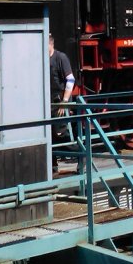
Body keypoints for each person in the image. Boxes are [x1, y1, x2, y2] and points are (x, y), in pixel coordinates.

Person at [48, 34, 75, 166]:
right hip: (50, 102)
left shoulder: (61, 58)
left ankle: (82, 156)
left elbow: (70, 79)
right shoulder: (44, 59)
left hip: (60, 101)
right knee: (50, 135)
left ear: (50, 44)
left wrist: (64, 102)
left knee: (61, 133)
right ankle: (53, 166)